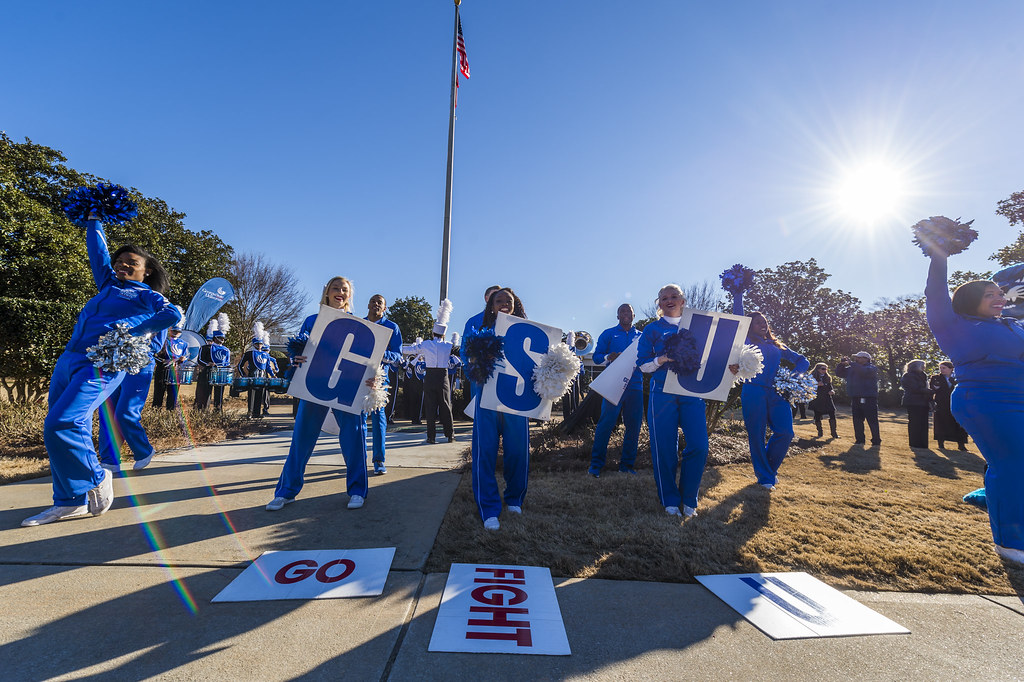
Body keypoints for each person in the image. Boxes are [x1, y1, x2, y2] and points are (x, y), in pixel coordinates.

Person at [22, 217, 181, 526]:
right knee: (58, 429)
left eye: (131, 263)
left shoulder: (145, 295)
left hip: (105, 362)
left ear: (146, 270)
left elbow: (172, 313)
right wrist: (94, 219)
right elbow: (98, 254)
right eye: (119, 261)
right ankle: (70, 501)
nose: (122, 266)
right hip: (69, 361)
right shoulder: (108, 285)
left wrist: (138, 331)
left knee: (63, 421)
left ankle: (96, 475)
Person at [925, 250, 1024, 564]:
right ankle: (1010, 543)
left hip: (1019, 397)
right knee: (1012, 464)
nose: (999, 298)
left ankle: (990, 497)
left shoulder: (1012, 325)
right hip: (985, 401)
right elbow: (936, 292)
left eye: (999, 293)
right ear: (969, 300)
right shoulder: (952, 324)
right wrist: (939, 255)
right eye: (989, 295)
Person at [267, 277, 371, 511]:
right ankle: (286, 491)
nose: (340, 292)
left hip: (346, 387)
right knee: (302, 438)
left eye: (345, 290)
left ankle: (357, 490)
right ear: (326, 292)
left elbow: (368, 360)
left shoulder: (358, 324)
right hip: (315, 383)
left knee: (354, 437)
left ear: (349, 296)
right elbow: (300, 350)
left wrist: (372, 377)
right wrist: (296, 359)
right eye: (336, 288)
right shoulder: (311, 321)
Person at [636, 284, 711, 517]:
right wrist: (663, 358)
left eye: (674, 296)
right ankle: (669, 499)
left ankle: (689, 498)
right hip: (662, 393)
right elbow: (642, 364)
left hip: (692, 393)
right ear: (658, 303)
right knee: (665, 448)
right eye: (664, 297)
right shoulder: (652, 329)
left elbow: (711, 356)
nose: (669, 300)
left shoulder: (697, 327)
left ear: (683, 300)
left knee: (699, 445)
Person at [733, 290, 809, 490]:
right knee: (756, 435)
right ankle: (765, 477)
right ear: (750, 326)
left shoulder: (777, 345)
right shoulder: (746, 341)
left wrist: (792, 379)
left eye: (764, 321)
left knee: (785, 432)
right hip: (753, 391)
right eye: (758, 322)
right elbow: (739, 320)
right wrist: (738, 294)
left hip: (777, 393)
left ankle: (769, 471)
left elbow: (803, 360)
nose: (763, 324)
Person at [469, 287, 529, 530]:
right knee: (485, 452)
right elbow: (469, 362)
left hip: (516, 400)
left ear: (516, 305)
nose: (504, 303)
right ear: (491, 305)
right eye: (499, 300)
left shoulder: (527, 331)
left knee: (518, 452)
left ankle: (514, 498)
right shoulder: (480, 330)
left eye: (508, 300)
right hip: (487, 399)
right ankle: (489, 508)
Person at [588, 303, 643, 477]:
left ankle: (626, 466)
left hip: (635, 386)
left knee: (633, 427)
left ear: (634, 316)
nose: (626, 314)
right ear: (618, 316)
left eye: (629, 311)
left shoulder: (642, 337)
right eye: (622, 311)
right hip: (614, 384)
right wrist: (608, 357)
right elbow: (596, 358)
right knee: (606, 424)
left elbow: (648, 358)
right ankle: (596, 466)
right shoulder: (608, 333)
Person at [364, 294, 403, 474]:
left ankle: (379, 460)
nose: (376, 304)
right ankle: (359, 458)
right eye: (373, 301)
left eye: (380, 302)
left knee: (379, 420)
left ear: (385, 308)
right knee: (359, 420)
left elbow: (398, 356)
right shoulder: (360, 323)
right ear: (368, 304)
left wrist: (383, 355)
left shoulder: (392, 327)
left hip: (379, 381)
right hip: (359, 378)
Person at [405, 319, 456, 445]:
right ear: (443, 334)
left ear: (433, 333)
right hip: (443, 376)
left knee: (430, 407)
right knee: (446, 405)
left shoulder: (426, 344)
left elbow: (410, 350)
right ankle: (450, 435)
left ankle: (431, 437)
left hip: (430, 376)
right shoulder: (448, 345)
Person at [461, 284, 502, 400]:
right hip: (481, 374)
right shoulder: (474, 321)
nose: (497, 300)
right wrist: (474, 367)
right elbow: (464, 349)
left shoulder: (509, 321)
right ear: (486, 298)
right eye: (494, 296)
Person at [836, 352, 881, 446]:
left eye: (858, 358)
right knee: (857, 420)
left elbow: (863, 372)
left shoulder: (871, 368)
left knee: (872, 420)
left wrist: (851, 364)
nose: (856, 359)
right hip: (855, 397)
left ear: (866, 359)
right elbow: (839, 373)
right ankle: (860, 440)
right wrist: (841, 364)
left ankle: (876, 440)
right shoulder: (852, 368)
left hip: (869, 398)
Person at [930, 361, 968, 450]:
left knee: (958, 424)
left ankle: (961, 445)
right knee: (941, 423)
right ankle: (941, 444)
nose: (941, 370)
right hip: (941, 404)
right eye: (940, 368)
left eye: (944, 368)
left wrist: (953, 382)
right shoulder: (935, 378)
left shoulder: (958, 377)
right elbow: (933, 389)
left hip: (956, 403)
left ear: (951, 369)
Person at [151, 323, 189, 410]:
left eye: (178, 331)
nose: (176, 332)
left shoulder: (184, 344)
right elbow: (155, 355)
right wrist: (164, 362)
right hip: (163, 369)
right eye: (174, 330)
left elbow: (186, 356)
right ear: (170, 330)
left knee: (173, 394)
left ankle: (170, 413)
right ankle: (156, 412)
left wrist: (183, 359)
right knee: (159, 393)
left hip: (176, 370)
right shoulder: (163, 340)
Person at [238, 333, 272, 418]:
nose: (259, 345)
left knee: (260, 395)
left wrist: (272, 375)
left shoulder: (266, 355)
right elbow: (240, 365)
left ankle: (257, 413)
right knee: (252, 395)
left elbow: (268, 367)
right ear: (253, 344)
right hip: (252, 377)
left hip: (262, 377)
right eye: (257, 344)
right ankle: (250, 412)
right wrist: (243, 374)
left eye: (260, 344)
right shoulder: (249, 353)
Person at [900, 359, 932, 449]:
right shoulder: (908, 376)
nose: (924, 367)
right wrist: (929, 391)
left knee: (924, 423)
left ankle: (923, 444)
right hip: (913, 402)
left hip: (923, 402)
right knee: (915, 423)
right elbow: (914, 388)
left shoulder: (923, 376)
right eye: (922, 366)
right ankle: (914, 443)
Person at [807, 363, 838, 439]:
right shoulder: (812, 377)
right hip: (817, 399)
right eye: (823, 369)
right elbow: (807, 387)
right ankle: (820, 433)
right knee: (817, 415)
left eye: (826, 369)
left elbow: (830, 388)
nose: (825, 370)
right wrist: (816, 384)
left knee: (832, 414)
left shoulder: (827, 377)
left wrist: (832, 391)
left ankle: (834, 434)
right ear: (818, 369)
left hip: (827, 398)